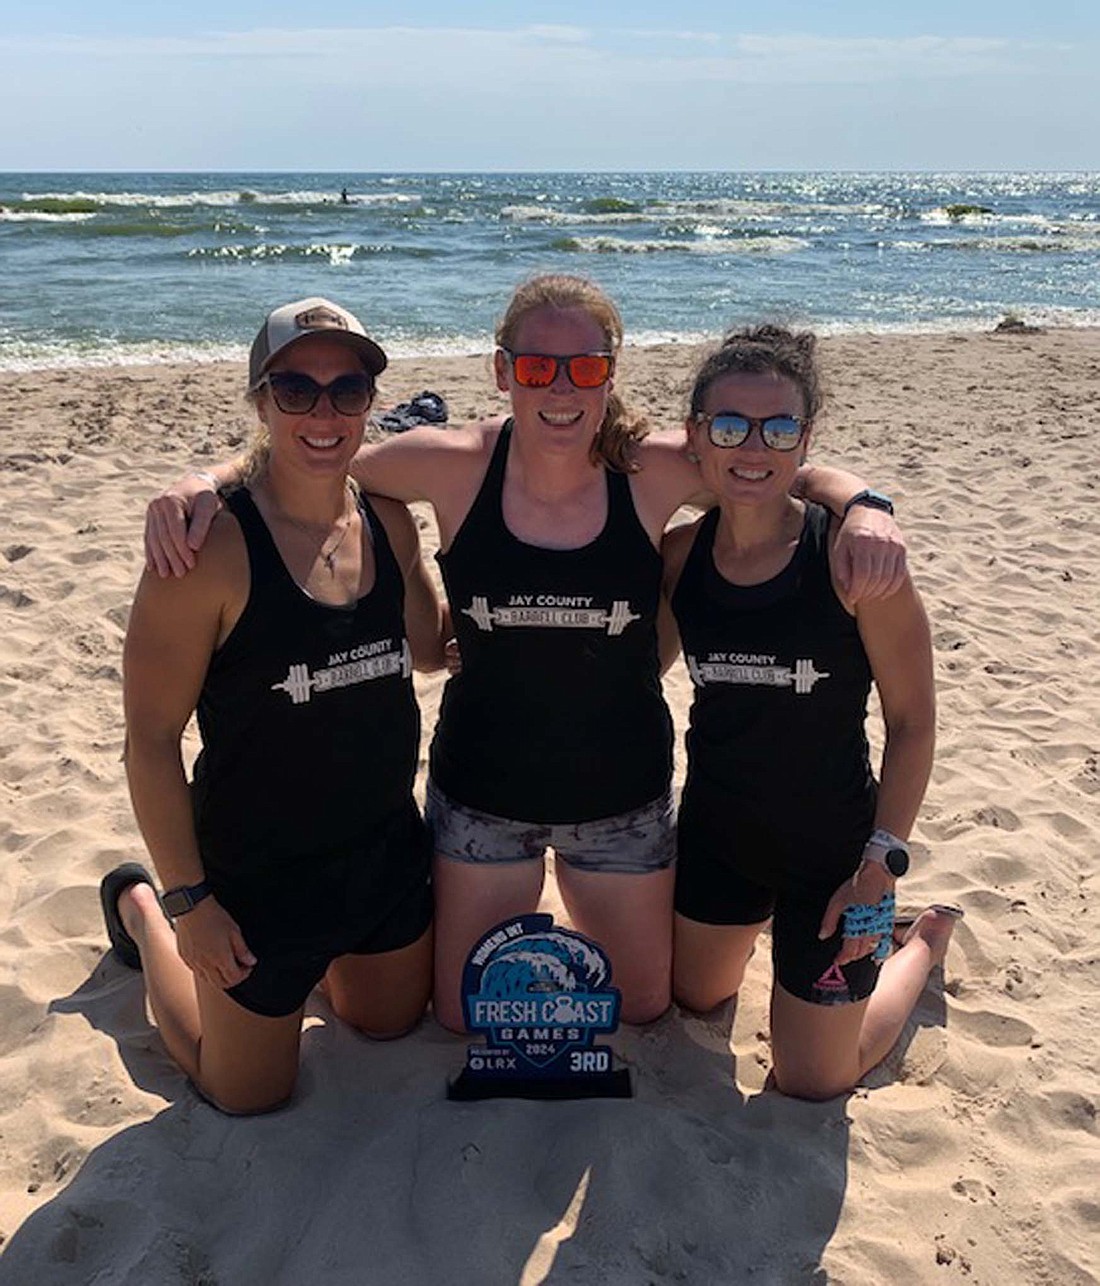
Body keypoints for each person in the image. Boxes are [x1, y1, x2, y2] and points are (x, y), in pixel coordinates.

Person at [143, 275, 909, 1033]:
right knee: (459, 1016)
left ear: (612, 371)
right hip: (482, 798)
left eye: (587, 368)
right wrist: (205, 478)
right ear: (504, 371)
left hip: (622, 801)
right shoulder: (452, 463)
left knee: (643, 1009)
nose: (563, 388)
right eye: (539, 368)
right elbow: (315, 456)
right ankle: (153, 915)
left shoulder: (652, 468)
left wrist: (864, 504)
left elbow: (772, 467)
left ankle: (916, 944)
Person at [102, 297, 445, 1113]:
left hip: (381, 854)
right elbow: (149, 739)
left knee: (390, 1023)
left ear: (371, 401)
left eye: (347, 390)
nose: (323, 413)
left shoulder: (388, 521)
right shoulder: (206, 549)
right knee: (245, 1094)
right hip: (256, 880)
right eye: (296, 390)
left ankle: (313, 970)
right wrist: (189, 903)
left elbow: (430, 649)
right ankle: (137, 906)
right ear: (260, 399)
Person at [662, 324, 958, 1100]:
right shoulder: (681, 558)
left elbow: (915, 721)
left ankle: (920, 942)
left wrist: (878, 864)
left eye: (778, 426)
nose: (752, 446)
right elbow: (626, 674)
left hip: (836, 855)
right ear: (696, 436)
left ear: (805, 437)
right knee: (694, 998)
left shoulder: (855, 560)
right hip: (718, 833)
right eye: (729, 425)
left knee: (815, 1078)